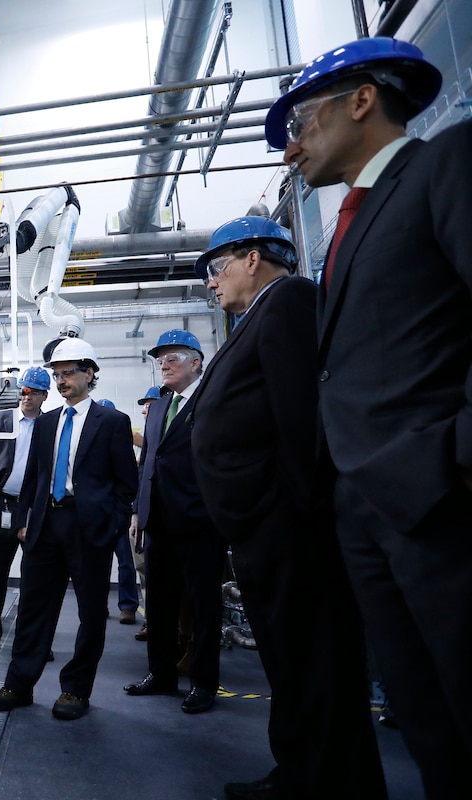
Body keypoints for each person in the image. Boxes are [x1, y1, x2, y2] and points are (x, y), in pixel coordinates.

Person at [266, 36, 472, 798]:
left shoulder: (444, 166)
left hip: (436, 499)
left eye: (303, 121)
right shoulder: (349, 224)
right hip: (365, 509)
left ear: (362, 100)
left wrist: (455, 461)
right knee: (424, 719)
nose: (294, 149)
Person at [190, 217, 386, 800]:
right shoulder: (257, 317)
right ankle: (298, 774)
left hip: (289, 528)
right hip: (265, 528)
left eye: (215, 267)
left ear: (253, 258)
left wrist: (294, 513)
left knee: (316, 665)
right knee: (290, 663)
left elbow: (302, 419)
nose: (210, 283)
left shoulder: (290, 301)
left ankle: (330, 784)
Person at [0, 338, 138, 721]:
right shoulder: (48, 422)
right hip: (46, 525)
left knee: (90, 614)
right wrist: (23, 523)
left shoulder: (112, 423)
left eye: (68, 373)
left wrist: (112, 528)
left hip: (89, 530)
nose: (61, 380)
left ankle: (75, 690)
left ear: (90, 374)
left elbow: (126, 485)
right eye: (57, 374)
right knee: (34, 608)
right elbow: (34, 478)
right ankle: (18, 685)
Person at [123, 329, 225, 715]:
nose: (164, 364)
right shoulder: (161, 406)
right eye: (161, 359)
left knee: (203, 606)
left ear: (196, 362)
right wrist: (137, 509)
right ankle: (161, 673)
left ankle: (203, 682)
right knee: (160, 604)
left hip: (199, 520)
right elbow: (148, 459)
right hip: (158, 521)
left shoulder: (212, 399)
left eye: (173, 357)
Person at [0, 366, 50, 656]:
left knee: (36, 579)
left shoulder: (49, 425)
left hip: (33, 510)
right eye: (24, 391)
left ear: (44, 396)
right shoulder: (0, 419)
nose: (26, 396)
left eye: (32, 392)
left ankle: (31, 639)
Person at [94, 398, 140, 626]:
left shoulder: (122, 446)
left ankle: (128, 606)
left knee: (125, 563)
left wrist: (125, 511)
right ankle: (98, 605)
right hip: (97, 515)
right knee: (96, 564)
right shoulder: (90, 448)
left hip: (118, 513)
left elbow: (129, 480)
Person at [130, 386, 163, 642]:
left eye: (150, 405)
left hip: (166, 519)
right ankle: (152, 621)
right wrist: (135, 514)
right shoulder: (147, 440)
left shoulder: (159, 438)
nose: (145, 410)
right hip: (143, 517)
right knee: (144, 572)